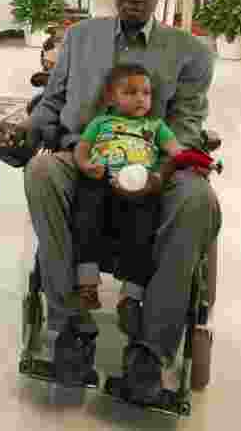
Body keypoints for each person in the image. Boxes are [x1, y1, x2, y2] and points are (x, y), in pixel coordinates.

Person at [0, 0, 220, 402]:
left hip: (153, 161)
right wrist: (26, 128)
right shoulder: (80, 37)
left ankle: (149, 351)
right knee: (42, 170)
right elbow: (51, 103)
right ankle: (71, 330)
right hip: (83, 156)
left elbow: (187, 124)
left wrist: (155, 172)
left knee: (197, 199)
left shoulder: (191, 53)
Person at [71, 64, 182, 334]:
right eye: (130, 92)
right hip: (101, 178)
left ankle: (130, 297)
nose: (140, 98)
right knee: (84, 210)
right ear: (111, 98)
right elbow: (82, 148)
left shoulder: (156, 126)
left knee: (146, 226)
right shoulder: (101, 122)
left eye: (146, 93)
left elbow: (176, 150)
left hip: (139, 186)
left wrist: (193, 160)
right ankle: (87, 283)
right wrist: (85, 165)